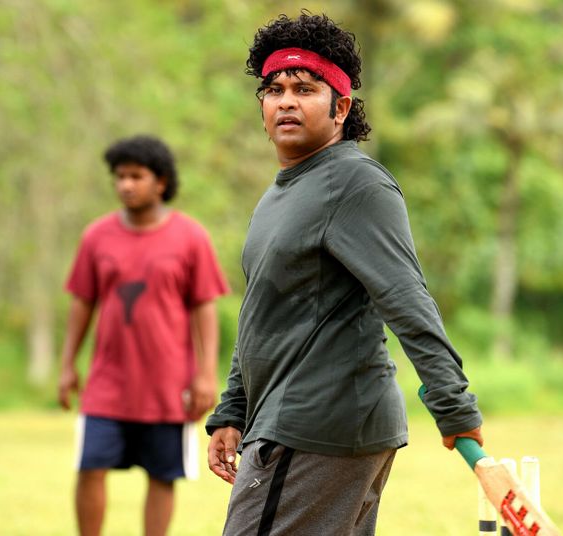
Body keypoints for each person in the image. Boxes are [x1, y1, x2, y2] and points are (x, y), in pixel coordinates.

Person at [205, 12, 484, 536]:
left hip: (315, 425)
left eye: (304, 89)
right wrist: (233, 409)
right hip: (288, 422)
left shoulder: (356, 184)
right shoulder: (281, 193)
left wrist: (453, 404)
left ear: (341, 108)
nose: (286, 101)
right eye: (274, 90)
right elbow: (262, 310)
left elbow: (406, 298)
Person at [58, 135, 229, 536]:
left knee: (162, 475)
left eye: (136, 176)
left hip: (167, 384)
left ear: (161, 182)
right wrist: (67, 365)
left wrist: (206, 374)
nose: (126, 185)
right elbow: (82, 303)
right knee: (90, 467)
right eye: (120, 177)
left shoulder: (191, 237)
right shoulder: (96, 236)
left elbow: (204, 307)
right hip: (107, 383)